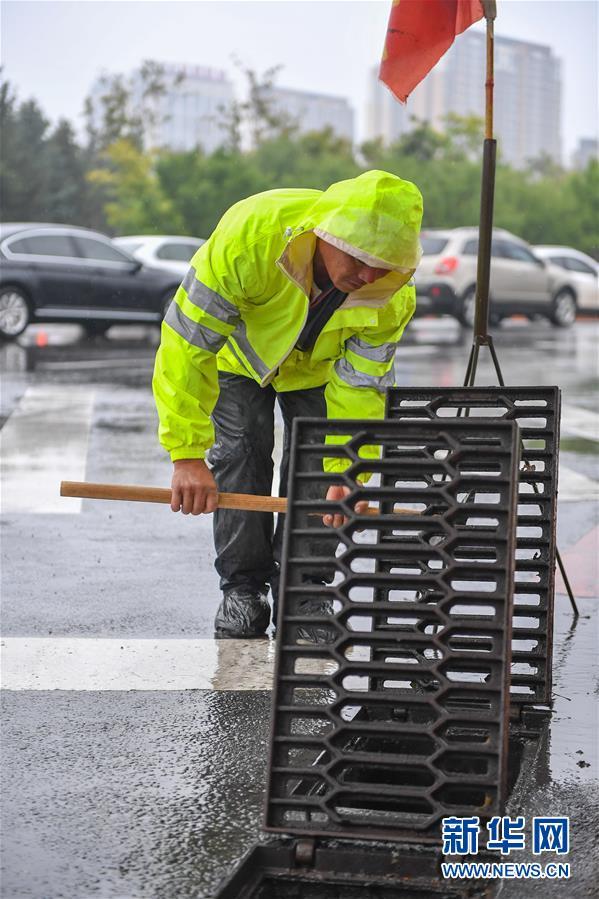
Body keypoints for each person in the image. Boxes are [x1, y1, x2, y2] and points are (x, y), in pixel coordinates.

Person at [152, 169, 423, 638]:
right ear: (327, 233)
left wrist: (349, 467)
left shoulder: (390, 296)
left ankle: (305, 596)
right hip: (241, 358)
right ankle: (243, 592)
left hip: (318, 372)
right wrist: (186, 455)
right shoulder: (252, 237)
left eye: (385, 265)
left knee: (322, 474)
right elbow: (185, 345)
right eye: (360, 258)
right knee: (240, 455)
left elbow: (362, 387)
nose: (368, 276)